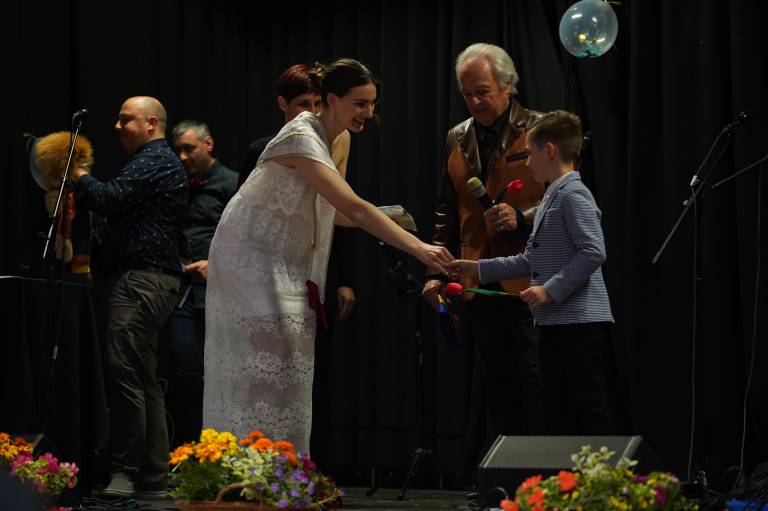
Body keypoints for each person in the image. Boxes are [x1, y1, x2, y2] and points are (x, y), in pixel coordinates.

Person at [203, 58, 453, 454]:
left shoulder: (336, 138)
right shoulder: (301, 135)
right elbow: (352, 207)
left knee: (290, 365)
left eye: (372, 104)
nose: (369, 112)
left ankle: (280, 464)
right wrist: (418, 248)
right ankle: (245, 461)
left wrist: (391, 221)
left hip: (285, 257)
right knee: (263, 364)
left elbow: (334, 212)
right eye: (360, 103)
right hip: (250, 255)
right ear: (332, 100)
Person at [450, 110, 616, 435]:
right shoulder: (553, 196)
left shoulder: (574, 194)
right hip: (556, 321)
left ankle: (602, 469)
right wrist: (476, 268)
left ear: (549, 150)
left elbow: (594, 251)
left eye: (530, 153)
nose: (527, 163)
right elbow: (529, 260)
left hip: (579, 321)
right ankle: (563, 467)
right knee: (556, 408)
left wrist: (549, 290)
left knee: (586, 406)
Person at [422, 43, 545, 459]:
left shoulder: (541, 127)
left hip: (531, 276)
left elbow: (569, 195)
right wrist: (435, 272)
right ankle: (504, 471)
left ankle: (542, 474)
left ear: (508, 86)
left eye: (483, 92)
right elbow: (446, 209)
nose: (475, 102)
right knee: (497, 380)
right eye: (467, 94)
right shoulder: (456, 136)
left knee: (534, 378)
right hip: (478, 275)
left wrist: (522, 217)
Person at [237, 64, 357, 464]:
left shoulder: (331, 145)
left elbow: (333, 213)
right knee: (269, 372)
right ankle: (264, 462)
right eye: (303, 103)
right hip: (271, 273)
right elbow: (245, 218)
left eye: (318, 102)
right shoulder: (268, 148)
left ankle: (308, 464)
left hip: (313, 274)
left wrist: (342, 277)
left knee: (312, 373)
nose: (312, 111)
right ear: (283, 105)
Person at [69, 96, 188, 499]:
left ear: (151, 123)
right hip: (147, 280)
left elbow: (110, 198)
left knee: (125, 375)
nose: (117, 127)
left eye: (126, 120)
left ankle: (125, 471)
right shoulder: (149, 161)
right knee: (141, 377)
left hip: (142, 281)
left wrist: (79, 175)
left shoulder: (155, 159)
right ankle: (152, 475)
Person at [164, 120, 238, 447]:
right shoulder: (176, 184)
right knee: (186, 374)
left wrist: (218, 265)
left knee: (224, 375)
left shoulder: (233, 183)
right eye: (178, 150)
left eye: (189, 148)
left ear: (208, 144)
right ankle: (189, 451)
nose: (182, 156)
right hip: (183, 292)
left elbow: (249, 238)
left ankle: (224, 449)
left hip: (223, 294)